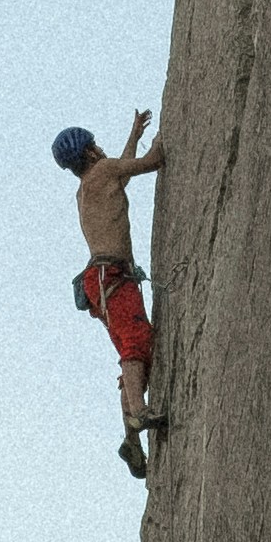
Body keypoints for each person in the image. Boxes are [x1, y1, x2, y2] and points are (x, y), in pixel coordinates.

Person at [53, 113, 163, 475]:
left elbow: (124, 172)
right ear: (89, 151)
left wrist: (134, 134)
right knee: (136, 340)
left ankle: (132, 442)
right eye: (94, 144)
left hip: (100, 281)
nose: (100, 148)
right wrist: (163, 136)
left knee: (135, 353)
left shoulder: (88, 186)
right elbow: (149, 163)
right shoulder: (102, 172)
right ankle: (139, 414)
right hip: (111, 274)